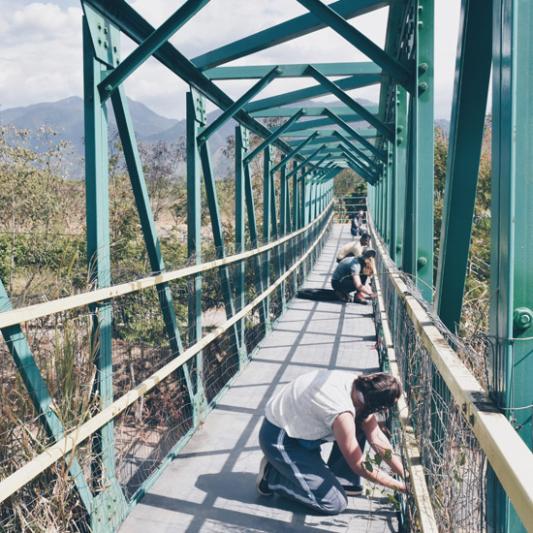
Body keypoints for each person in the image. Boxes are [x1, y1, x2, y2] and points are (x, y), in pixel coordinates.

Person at [256, 370, 407, 515]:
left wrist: (405, 474)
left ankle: (343, 479)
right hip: (280, 438)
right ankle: (272, 476)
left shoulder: (360, 386)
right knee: (333, 503)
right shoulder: (342, 413)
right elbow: (359, 464)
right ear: (372, 404)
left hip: (299, 428)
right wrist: (401, 487)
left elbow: (376, 437)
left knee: (361, 421)